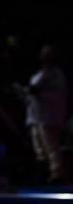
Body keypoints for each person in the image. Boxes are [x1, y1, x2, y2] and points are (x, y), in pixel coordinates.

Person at [26, 45, 67, 182]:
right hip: (35, 116)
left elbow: (57, 95)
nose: (45, 58)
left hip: (49, 116)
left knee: (51, 147)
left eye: (48, 55)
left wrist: (39, 93)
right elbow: (31, 94)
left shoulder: (57, 75)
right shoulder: (37, 75)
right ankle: (43, 173)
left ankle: (57, 174)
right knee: (39, 149)